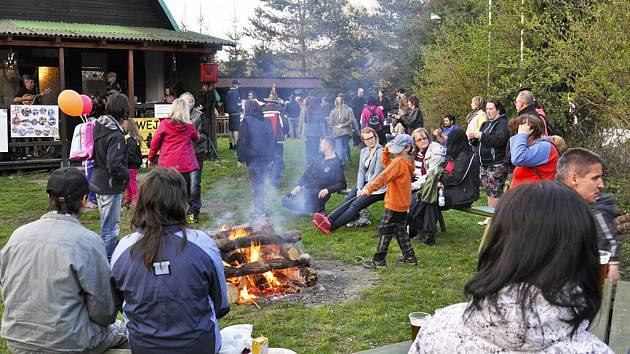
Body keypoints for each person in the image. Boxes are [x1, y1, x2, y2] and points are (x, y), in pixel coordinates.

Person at [409, 182, 613, 354]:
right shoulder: (592, 350)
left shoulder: (438, 329)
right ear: (583, 252)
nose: (601, 184)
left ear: (497, 244)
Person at [0, 167, 127, 353]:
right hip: (68, 342)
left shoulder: (17, 235)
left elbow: (7, 288)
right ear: (84, 200)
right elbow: (105, 312)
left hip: (18, 339)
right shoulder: (88, 241)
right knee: (133, 333)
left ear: (49, 198)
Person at [110, 168, 229, 353]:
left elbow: (113, 305)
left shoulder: (122, 249)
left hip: (144, 347)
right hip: (199, 347)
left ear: (142, 202)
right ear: (181, 201)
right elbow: (222, 306)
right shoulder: (203, 244)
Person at [557, 148, 623, 283]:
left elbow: (608, 238)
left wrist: (613, 264)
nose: (601, 185)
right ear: (574, 178)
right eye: (595, 178)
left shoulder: (596, 206)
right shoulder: (543, 209)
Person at [359, 134, 418, 268]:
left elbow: (384, 175)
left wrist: (369, 188)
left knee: (385, 230)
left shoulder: (399, 162)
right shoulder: (407, 161)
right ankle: (410, 257)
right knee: (400, 230)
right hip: (403, 203)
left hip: (394, 203)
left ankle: (379, 259)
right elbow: (387, 165)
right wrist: (386, 151)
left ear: (408, 148)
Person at [313, 128, 385, 233]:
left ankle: (332, 227)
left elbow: (377, 174)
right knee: (346, 201)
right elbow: (361, 171)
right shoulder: (364, 151)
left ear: (375, 137)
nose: (370, 141)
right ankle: (328, 220)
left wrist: (365, 189)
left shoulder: (381, 151)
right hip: (364, 185)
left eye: (372, 137)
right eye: (367, 139)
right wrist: (360, 187)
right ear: (363, 141)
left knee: (355, 205)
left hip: (377, 187)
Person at [91, 93, 130, 260]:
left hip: (99, 180)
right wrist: (126, 176)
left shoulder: (100, 126)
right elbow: (114, 164)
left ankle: (107, 256)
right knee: (110, 228)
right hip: (110, 184)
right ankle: (108, 261)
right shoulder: (115, 134)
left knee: (105, 224)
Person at [147, 98, 200, 199]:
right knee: (184, 194)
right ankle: (183, 212)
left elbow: (155, 142)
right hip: (184, 165)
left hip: (167, 165)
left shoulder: (165, 124)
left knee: (166, 194)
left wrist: (151, 158)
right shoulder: (189, 127)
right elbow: (196, 137)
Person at [467, 99, 509, 226]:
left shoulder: (502, 124)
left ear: (498, 110)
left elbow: (499, 141)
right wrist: (473, 140)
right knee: (489, 191)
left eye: (491, 109)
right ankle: (490, 217)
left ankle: (497, 219)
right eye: (487, 109)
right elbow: (481, 142)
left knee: (495, 191)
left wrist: (480, 135)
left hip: (496, 163)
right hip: (484, 163)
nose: (488, 111)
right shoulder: (485, 124)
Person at [282, 137, 346, 216]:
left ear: (328, 146)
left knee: (309, 200)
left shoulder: (336, 163)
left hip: (318, 193)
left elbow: (342, 184)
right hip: (307, 190)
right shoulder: (319, 157)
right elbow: (307, 173)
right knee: (285, 200)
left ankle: (313, 209)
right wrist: (299, 185)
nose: (320, 145)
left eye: (322, 143)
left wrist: (328, 190)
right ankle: (311, 209)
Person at [237, 100, 275, 217]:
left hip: (253, 158)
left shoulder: (246, 121)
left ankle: (259, 210)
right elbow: (272, 139)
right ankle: (259, 207)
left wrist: (240, 158)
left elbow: (242, 140)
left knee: (256, 184)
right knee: (261, 183)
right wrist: (271, 157)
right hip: (265, 157)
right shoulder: (266, 120)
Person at [509, 114, 559, 188]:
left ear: (531, 133)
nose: (518, 137)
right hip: (526, 195)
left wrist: (522, 135)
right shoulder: (532, 147)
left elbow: (517, 158)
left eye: (519, 133)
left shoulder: (544, 147)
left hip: (536, 196)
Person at [181, 92, 208, 223]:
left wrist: (193, 136)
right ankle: (188, 207)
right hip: (182, 153)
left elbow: (204, 135)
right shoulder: (178, 115)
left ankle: (195, 209)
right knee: (184, 183)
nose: (184, 105)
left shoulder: (199, 116)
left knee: (194, 183)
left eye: (187, 102)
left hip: (196, 153)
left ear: (192, 102)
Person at [440, 128, 480, 209]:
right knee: (426, 197)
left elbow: (455, 178)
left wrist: (438, 175)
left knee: (431, 198)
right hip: (454, 190)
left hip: (465, 194)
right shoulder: (454, 154)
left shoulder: (465, 156)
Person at [263, 85, 287, 188]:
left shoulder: (262, 110)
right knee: (277, 159)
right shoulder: (280, 110)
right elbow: (284, 124)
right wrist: (285, 133)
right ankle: (275, 180)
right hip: (278, 138)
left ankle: (267, 178)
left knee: (267, 158)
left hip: (266, 139)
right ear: (276, 101)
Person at [329, 95, 357, 165]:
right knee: (344, 147)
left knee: (339, 147)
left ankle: (339, 162)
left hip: (337, 132)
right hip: (345, 132)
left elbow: (330, 123)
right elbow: (351, 120)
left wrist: (336, 126)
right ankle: (342, 162)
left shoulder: (332, 112)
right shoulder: (347, 110)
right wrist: (343, 125)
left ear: (335, 103)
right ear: (343, 102)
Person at [301, 96, 327, 165]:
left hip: (309, 131)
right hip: (316, 132)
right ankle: (315, 161)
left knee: (309, 147)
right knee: (315, 148)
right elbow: (322, 119)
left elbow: (305, 120)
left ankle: (309, 161)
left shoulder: (307, 110)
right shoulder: (318, 110)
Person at [123, 118, 143, 207]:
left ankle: (135, 198)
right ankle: (128, 198)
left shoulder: (130, 139)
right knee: (128, 181)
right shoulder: (132, 138)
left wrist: (125, 159)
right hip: (132, 163)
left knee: (131, 181)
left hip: (131, 164)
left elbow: (131, 153)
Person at [225, 79, 242, 150]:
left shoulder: (228, 92)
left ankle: (230, 145)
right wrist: (241, 105)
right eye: (237, 84)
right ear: (234, 85)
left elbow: (226, 103)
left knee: (230, 129)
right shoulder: (236, 93)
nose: (238, 86)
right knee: (235, 130)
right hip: (236, 113)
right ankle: (235, 145)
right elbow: (238, 104)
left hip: (230, 113)